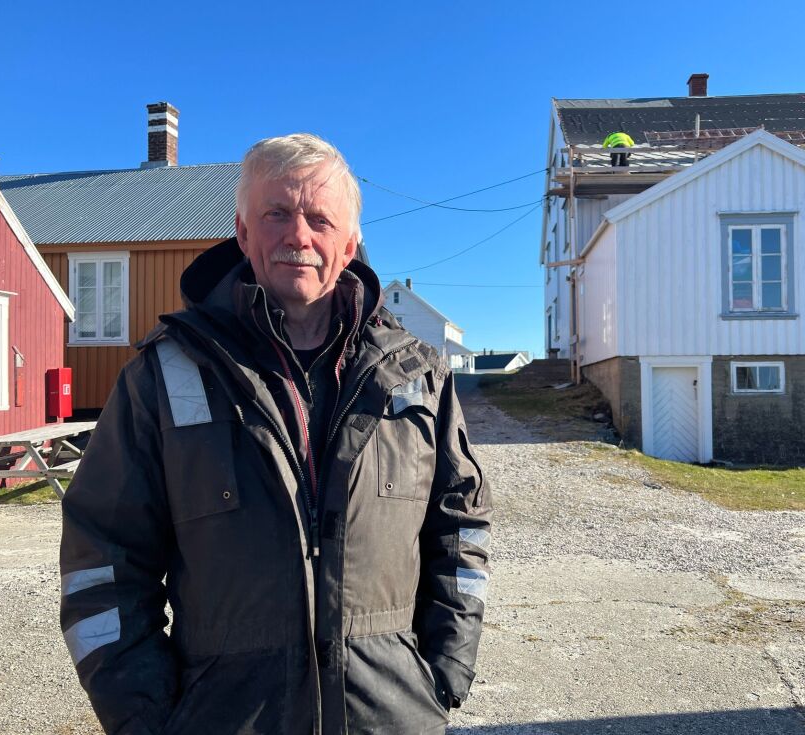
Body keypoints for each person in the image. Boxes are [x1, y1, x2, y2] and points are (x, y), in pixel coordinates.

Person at [59, 134, 493, 735]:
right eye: (277, 214)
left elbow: (460, 528)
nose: (298, 236)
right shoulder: (164, 375)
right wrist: (145, 714)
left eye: (319, 218)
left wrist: (442, 671)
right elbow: (99, 558)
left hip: (391, 716)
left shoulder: (418, 374)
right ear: (242, 232)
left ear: (349, 243)